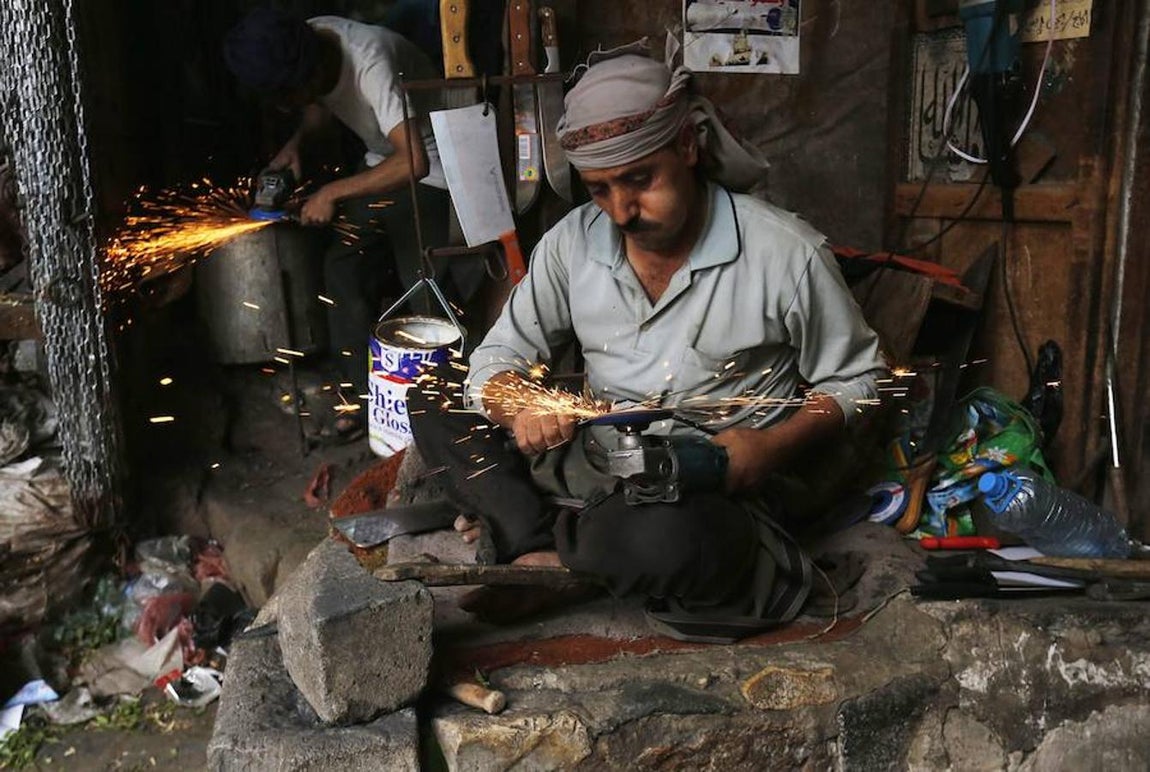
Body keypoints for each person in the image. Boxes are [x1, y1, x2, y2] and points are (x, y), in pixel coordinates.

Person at [408, 44, 887, 640]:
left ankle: (548, 552)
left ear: (687, 146)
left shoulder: (785, 254)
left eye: (639, 180)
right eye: (600, 189)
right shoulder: (571, 245)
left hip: (705, 485)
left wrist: (771, 447)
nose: (622, 210)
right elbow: (496, 362)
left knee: (668, 537)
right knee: (434, 396)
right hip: (598, 456)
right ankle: (548, 552)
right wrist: (520, 404)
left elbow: (861, 383)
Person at [224, 8, 482, 434]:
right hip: (385, 163)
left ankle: (453, 412)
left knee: (423, 283)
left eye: (289, 97)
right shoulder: (313, 39)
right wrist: (297, 143)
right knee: (342, 269)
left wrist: (333, 192)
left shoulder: (372, 61)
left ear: (306, 76)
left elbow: (414, 161)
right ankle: (359, 400)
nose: (288, 105)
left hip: (437, 170)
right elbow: (322, 105)